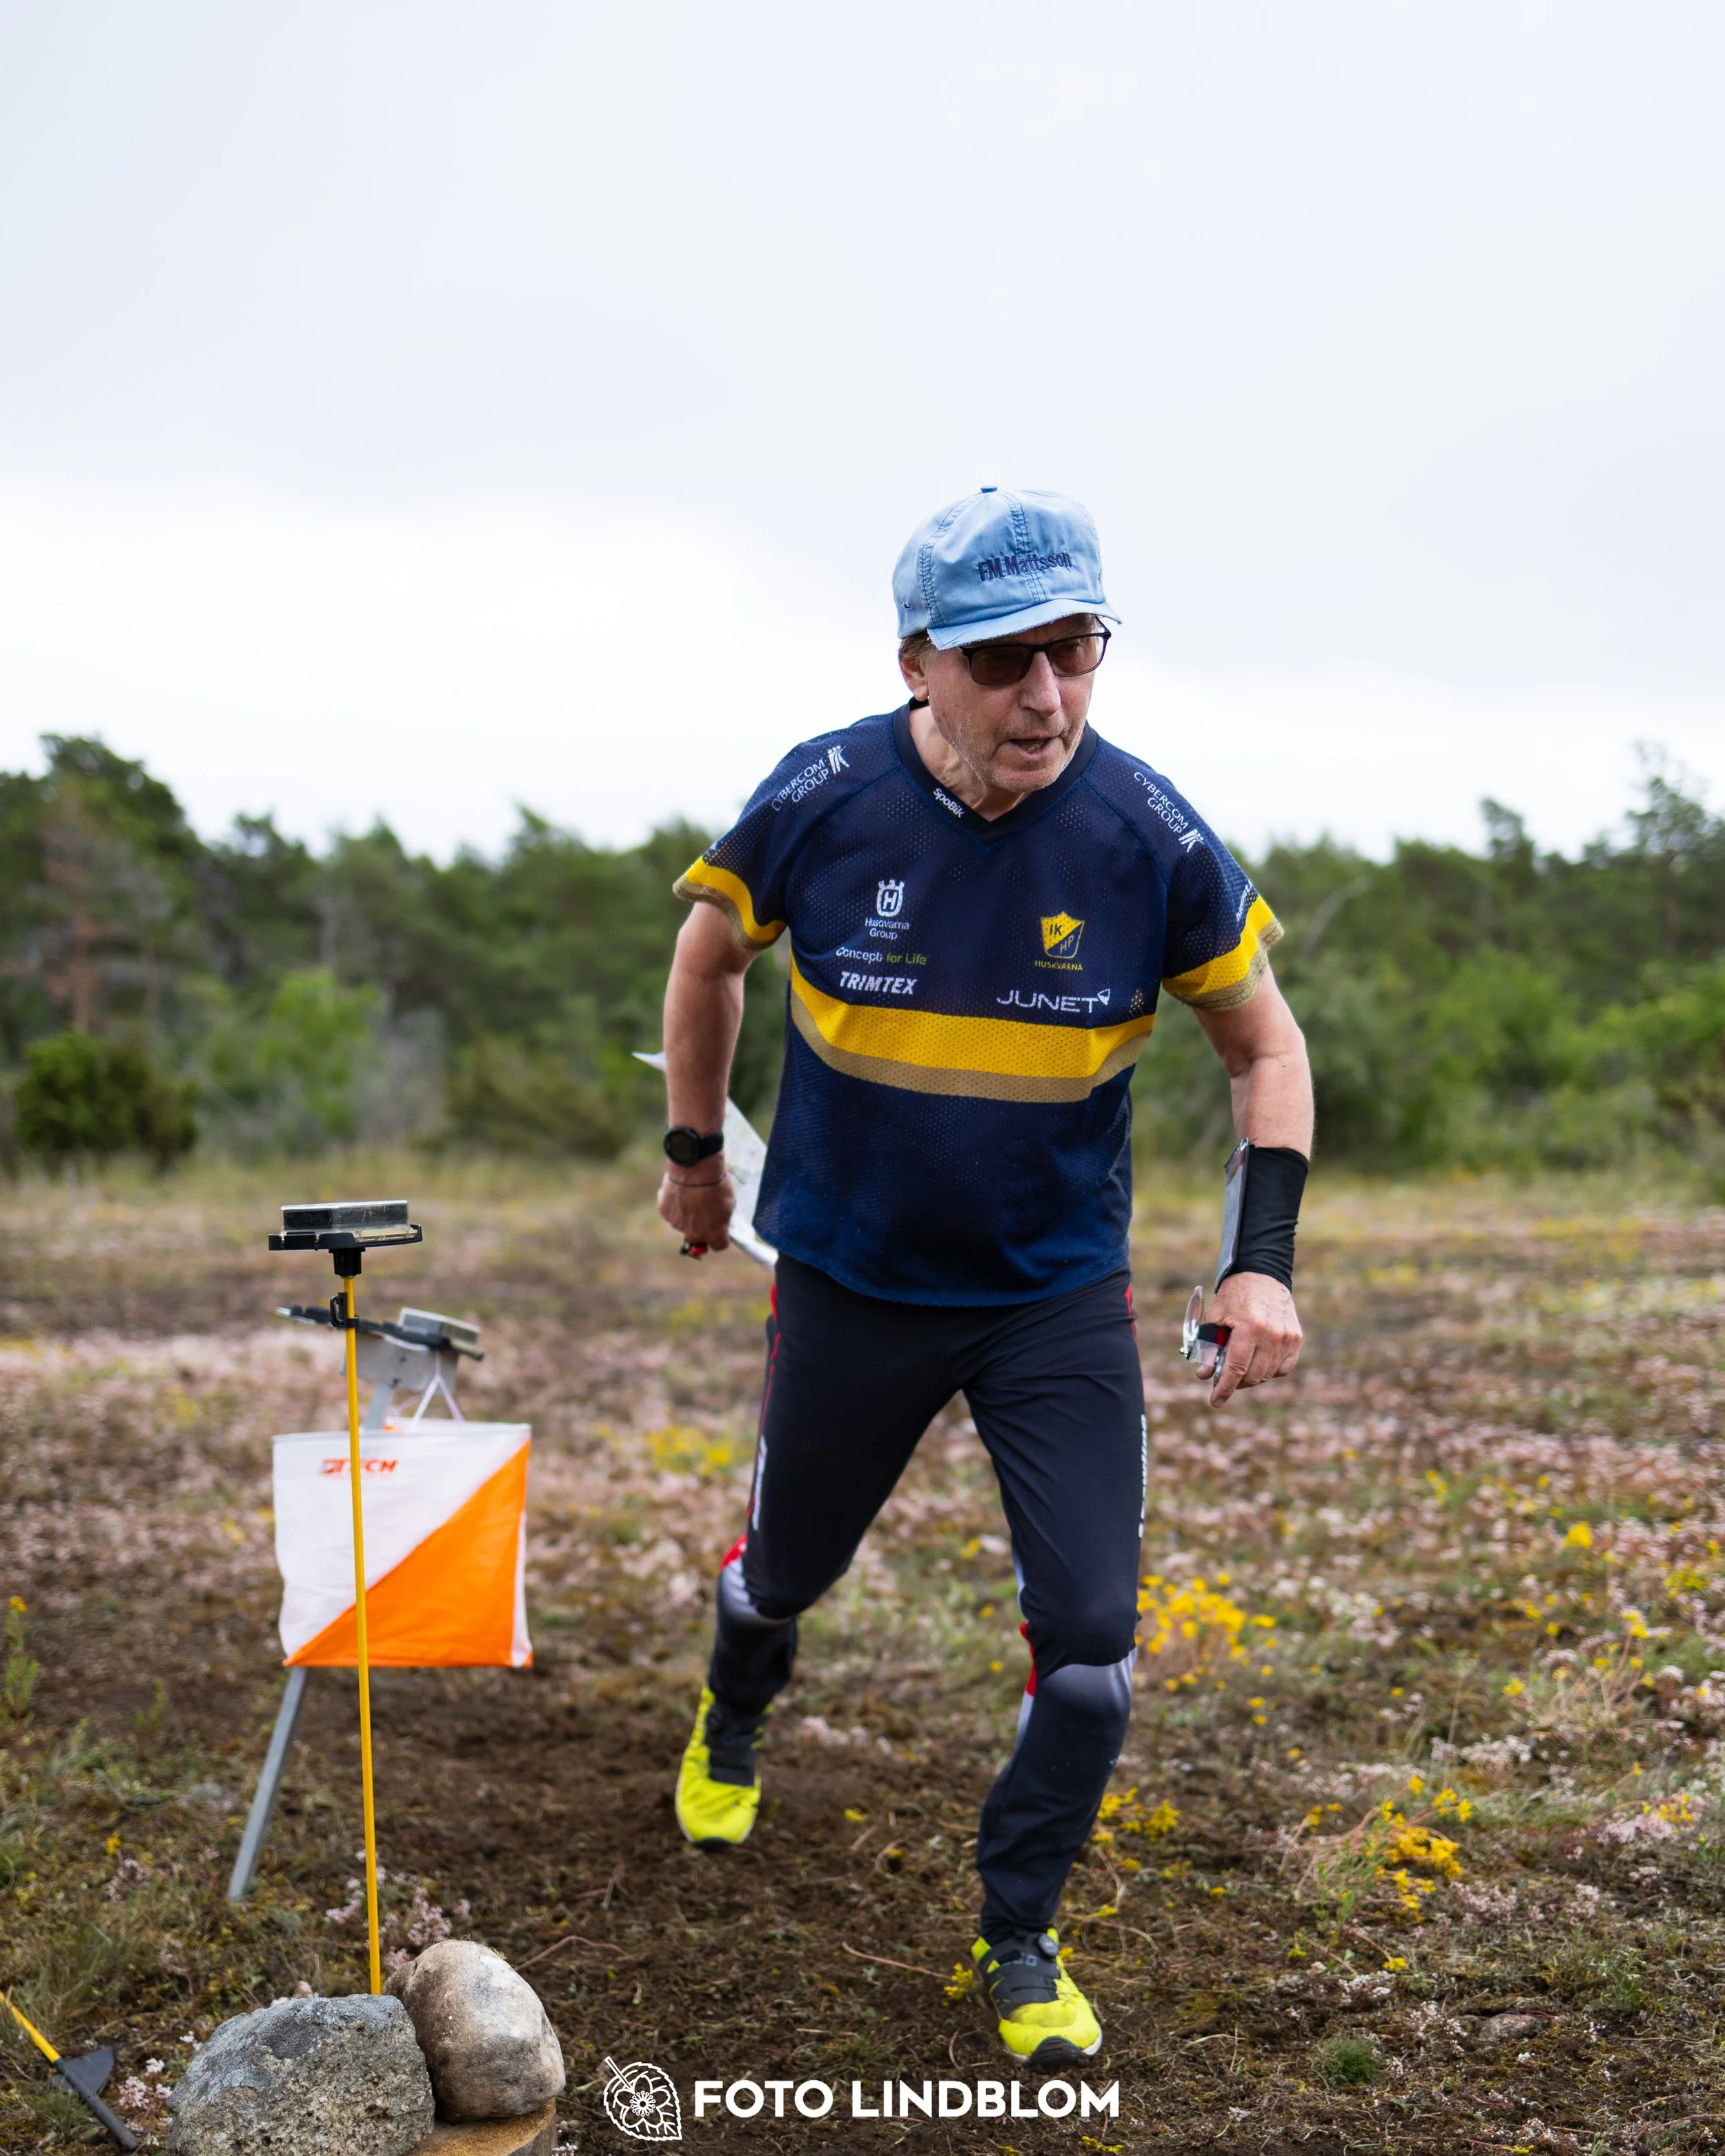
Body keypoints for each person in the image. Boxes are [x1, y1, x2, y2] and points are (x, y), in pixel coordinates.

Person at [656, 488, 1313, 2070]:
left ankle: (1016, 1928)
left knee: (1088, 1648)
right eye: (1004, 658)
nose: (1045, 695)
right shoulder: (822, 797)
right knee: (782, 1573)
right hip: (851, 1276)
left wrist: (1258, 1264)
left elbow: (1265, 1048)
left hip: (1050, 1295)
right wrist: (693, 1152)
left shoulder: (1148, 835)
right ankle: (735, 1706)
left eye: (1075, 650)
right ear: (917, 665)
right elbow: (706, 956)